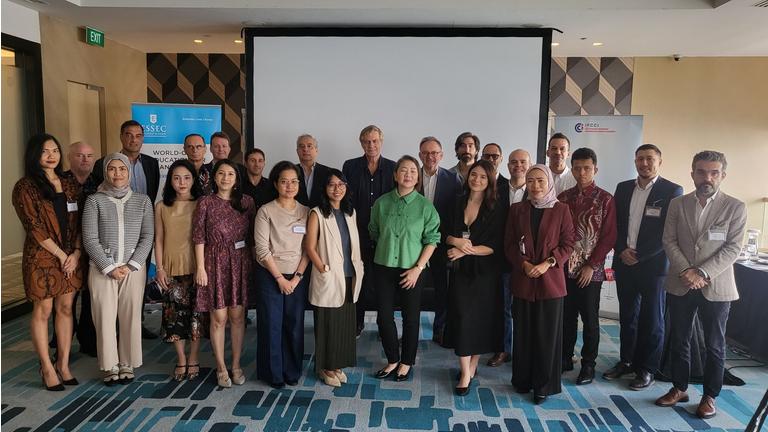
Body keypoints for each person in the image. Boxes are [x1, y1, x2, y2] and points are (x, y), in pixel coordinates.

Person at [655, 151, 746, 419]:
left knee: (715, 345)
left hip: (716, 285)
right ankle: (679, 387)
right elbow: (669, 240)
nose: (707, 178)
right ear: (692, 173)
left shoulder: (735, 207)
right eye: (702, 172)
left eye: (714, 172)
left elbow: (733, 248)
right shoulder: (678, 204)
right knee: (679, 340)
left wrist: (702, 272)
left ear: (722, 175)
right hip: (681, 282)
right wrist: (687, 271)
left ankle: (709, 396)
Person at [606, 144, 683, 390]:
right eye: (640, 159)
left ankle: (647, 368)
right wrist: (621, 250)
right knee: (628, 317)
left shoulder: (672, 190)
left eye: (650, 159)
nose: (645, 163)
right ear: (635, 161)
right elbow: (615, 224)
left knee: (653, 319)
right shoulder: (623, 188)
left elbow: (668, 231)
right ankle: (627, 361)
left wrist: (640, 255)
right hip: (624, 262)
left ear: (659, 162)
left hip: (653, 266)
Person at [12, 133, 84, 391]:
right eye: (45, 151)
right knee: (43, 310)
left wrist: (76, 253)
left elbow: (80, 220)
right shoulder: (25, 187)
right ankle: (46, 366)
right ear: (35, 155)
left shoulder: (69, 182)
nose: (51, 156)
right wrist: (62, 255)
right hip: (42, 257)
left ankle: (63, 364)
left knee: (66, 309)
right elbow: (34, 227)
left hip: (71, 256)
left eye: (55, 150)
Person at [504, 164, 575, 404]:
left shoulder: (561, 209)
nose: (535, 186)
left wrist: (548, 263)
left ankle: (543, 385)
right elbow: (509, 244)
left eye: (540, 181)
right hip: (523, 279)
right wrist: (523, 264)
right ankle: (522, 379)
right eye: (531, 181)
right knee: (523, 333)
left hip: (550, 282)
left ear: (549, 183)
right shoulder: (517, 209)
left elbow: (568, 243)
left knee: (547, 335)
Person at [82, 152, 154, 385]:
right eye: (112, 169)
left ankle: (127, 362)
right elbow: (90, 239)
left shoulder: (142, 201)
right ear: (105, 172)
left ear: (129, 172)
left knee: (130, 317)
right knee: (104, 318)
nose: (117, 174)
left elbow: (147, 236)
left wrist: (131, 265)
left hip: (133, 270)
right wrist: (109, 267)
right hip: (102, 270)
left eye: (122, 169)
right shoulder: (94, 201)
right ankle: (110, 365)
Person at [369, 155, 440, 382]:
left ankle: (406, 362)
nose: (408, 174)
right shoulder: (381, 203)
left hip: (413, 269)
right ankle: (392, 359)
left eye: (412, 171)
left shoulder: (426, 207)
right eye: (403, 170)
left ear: (418, 178)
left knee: (411, 317)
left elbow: (432, 240)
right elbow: (374, 231)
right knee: (384, 317)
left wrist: (417, 268)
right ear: (395, 174)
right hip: (384, 266)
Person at [93, 120, 161, 340]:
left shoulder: (151, 163)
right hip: (111, 234)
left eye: (138, 135)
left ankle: (135, 323)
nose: (134, 139)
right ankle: (110, 328)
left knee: (137, 280)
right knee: (108, 285)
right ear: (121, 136)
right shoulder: (105, 163)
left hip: (141, 232)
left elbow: (151, 195)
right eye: (129, 135)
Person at [444, 160, 506, 395]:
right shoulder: (456, 201)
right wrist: (456, 242)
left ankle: (470, 368)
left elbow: (494, 246)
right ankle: (465, 370)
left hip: (485, 273)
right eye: (473, 175)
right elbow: (444, 233)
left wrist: (464, 250)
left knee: (478, 321)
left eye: (482, 177)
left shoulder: (496, 206)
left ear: (490, 180)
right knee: (461, 318)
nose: (477, 180)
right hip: (460, 272)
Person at [193, 159, 255, 388]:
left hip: (240, 262)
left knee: (238, 317)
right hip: (214, 263)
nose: (225, 178)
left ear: (237, 178)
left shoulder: (247, 202)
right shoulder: (205, 202)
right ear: (214, 177)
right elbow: (198, 237)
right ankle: (220, 367)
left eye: (230, 174)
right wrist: (200, 267)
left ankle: (236, 365)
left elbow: (253, 237)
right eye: (221, 173)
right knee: (219, 317)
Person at [558, 147, 617, 385]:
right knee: (566, 316)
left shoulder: (605, 199)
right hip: (564, 269)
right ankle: (565, 357)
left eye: (587, 168)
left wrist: (591, 265)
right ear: (572, 170)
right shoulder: (563, 198)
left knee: (590, 319)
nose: (582, 172)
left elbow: (609, 237)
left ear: (595, 169)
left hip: (591, 271)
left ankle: (588, 365)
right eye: (578, 168)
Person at [304, 169, 364, 387]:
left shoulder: (350, 212)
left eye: (341, 184)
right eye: (332, 185)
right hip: (329, 275)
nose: (337, 189)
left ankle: (336, 365)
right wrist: (322, 267)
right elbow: (309, 247)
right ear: (324, 188)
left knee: (344, 325)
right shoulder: (317, 213)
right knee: (328, 325)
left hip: (349, 275)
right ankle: (325, 368)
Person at [254, 161, 310, 388]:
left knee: (294, 325)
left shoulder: (306, 211)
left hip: (297, 276)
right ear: (276, 183)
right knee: (272, 324)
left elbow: (308, 249)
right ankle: (273, 374)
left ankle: (292, 371)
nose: (290, 186)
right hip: (270, 275)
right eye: (284, 181)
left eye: (294, 181)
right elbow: (261, 250)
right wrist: (279, 278)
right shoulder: (265, 211)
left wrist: (296, 278)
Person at [342, 125, 396, 337]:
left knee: (384, 283)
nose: (371, 145)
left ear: (381, 142)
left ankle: (385, 325)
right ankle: (356, 323)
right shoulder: (350, 166)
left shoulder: (393, 167)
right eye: (366, 141)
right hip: (357, 234)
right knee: (358, 280)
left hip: (385, 236)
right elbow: (344, 198)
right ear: (361, 143)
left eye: (374, 141)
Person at [155, 159, 205, 381]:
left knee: (196, 316)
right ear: (170, 181)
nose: (182, 182)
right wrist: (160, 268)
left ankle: (193, 357)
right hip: (171, 267)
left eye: (186, 178)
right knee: (174, 317)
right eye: (176, 178)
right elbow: (159, 239)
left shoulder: (201, 203)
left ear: (193, 180)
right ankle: (181, 358)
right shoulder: (161, 206)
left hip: (196, 267)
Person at [49, 141, 98, 357]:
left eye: (89, 156)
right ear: (69, 157)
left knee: (91, 297)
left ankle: (88, 340)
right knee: (64, 300)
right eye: (79, 155)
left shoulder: (99, 183)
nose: (85, 159)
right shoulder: (58, 182)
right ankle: (62, 343)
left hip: (92, 249)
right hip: (66, 250)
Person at [417, 136, 461, 347]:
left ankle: (439, 329)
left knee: (441, 289)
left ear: (441, 155)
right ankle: (410, 331)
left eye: (434, 153)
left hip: (441, 243)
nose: (430, 157)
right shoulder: (411, 175)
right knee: (412, 289)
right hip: (414, 244)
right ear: (420, 155)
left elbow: (456, 213)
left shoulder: (452, 179)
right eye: (426, 153)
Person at [488, 148, 531, 367]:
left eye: (523, 162)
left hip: (528, 260)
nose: (518, 165)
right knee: (502, 307)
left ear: (529, 165)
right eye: (514, 162)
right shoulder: (497, 188)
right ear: (507, 166)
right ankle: (503, 349)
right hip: (501, 257)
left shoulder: (536, 190)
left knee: (524, 308)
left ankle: (524, 350)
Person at [295, 134, 332, 209]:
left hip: (321, 214)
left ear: (316, 150)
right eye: (301, 146)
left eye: (309, 146)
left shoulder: (329, 172)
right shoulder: (290, 172)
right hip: (294, 215)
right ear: (297, 151)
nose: (305, 149)